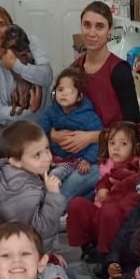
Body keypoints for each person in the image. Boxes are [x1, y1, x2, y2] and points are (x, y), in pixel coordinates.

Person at [50, 1, 140, 164]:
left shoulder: (119, 70)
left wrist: (92, 137)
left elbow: (132, 125)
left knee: (67, 187)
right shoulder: (74, 69)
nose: (92, 33)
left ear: (110, 31)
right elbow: (54, 112)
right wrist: (54, 134)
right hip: (76, 152)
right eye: (87, 25)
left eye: (99, 26)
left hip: (111, 151)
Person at [0, 120, 67, 252]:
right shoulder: (22, 192)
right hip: (27, 254)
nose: (47, 158)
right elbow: (39, 231)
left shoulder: (12, 173)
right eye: (37, 155)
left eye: (47, 149)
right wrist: (53, 195)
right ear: (15, 161)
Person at [0, 6, 53, 152]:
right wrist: (29, 110)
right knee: (0, 148)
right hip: (5, 124)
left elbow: (47, 77)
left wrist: (16, 66)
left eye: (2, 24)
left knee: (44, 149)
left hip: (40, 120)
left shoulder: (31, 43)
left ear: (11, 26)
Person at [66, 121, 140, 257]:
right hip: (100, 211)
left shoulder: (136, 165)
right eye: (112, 143)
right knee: (77, 204)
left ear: (135, 147)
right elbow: (104, 181)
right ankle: (87, 246)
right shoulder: (107, 162)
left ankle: (106, 253)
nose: (116, 148)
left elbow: (130, 192)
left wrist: (110, 195)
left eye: (123, 144)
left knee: (109, 210)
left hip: (118, 221)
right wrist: (101, 188)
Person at [40, 67, 103, 201]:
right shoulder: (52, 111)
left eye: (70, 91)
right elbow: (40, 129)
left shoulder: (88, 116)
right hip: (55, 158)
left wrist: (87, 159)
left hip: (77, 160)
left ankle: (52, 203)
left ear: (79, 96)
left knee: (56, 176)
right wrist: (49, 134)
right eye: (60, 90)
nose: (63, 94)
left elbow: (98, 140)